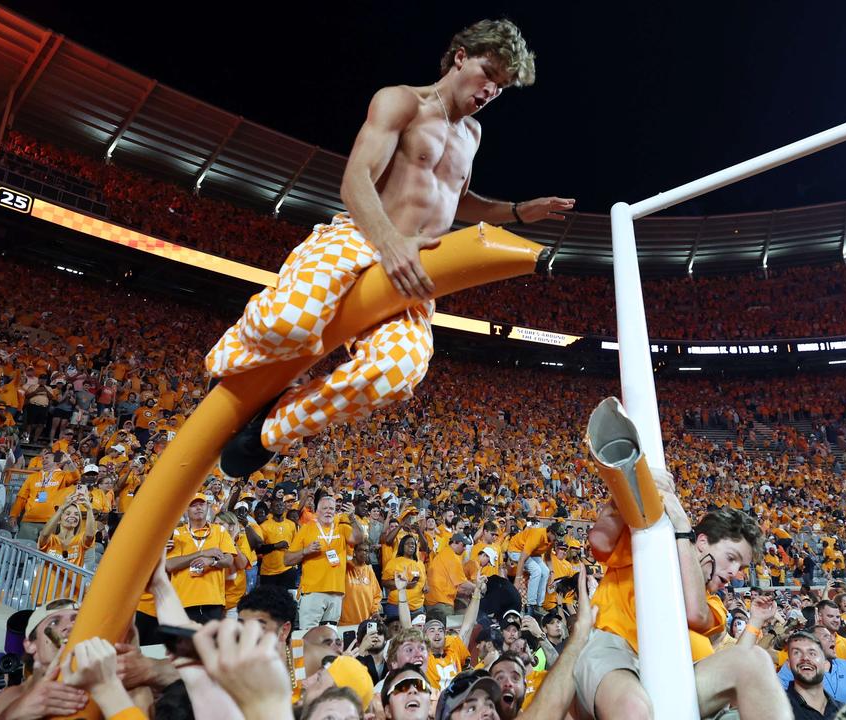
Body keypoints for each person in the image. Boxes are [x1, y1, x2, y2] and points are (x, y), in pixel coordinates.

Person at [208, 18, 573, 477]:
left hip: (414, 270)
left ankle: (270, 431)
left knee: (399, 371)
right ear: (461, 56)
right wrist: (390, 242)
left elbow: (458, 201)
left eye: (501, 87)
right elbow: (355, 179)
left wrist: (520, 211)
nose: (491, 91)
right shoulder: (400, 100)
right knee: (292, 323)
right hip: (361, 237)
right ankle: (230, 361)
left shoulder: (473, 135)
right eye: (488, 73)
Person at [579, 472, 792, 720]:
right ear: (701, 542)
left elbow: (694, 613)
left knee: (756, 660)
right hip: (615, 653)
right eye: (731, 558)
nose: (735, 573)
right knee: (632, 709)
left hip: (677, 683)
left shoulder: (713, 603)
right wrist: (628, 487)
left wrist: (682, 527)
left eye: (742, 568)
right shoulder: (651, 542)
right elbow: (600, 541)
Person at [285, 494, 364, 629]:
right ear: (317, 511)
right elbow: (287, 560)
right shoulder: (306, 528)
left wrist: (352, 518)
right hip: (313, 592)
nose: (328, 511)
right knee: (309, 636)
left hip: (336, 592)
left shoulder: (342, 527)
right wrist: (305, 551)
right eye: (325, 508)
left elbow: (359, 538)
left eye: (332, 508)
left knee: (330, 638)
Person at [165, 493, 237, 623]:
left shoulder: (219, 530)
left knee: (211, 643)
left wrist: (212, 561)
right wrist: (202, 553)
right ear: (186, 509)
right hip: (183, 601)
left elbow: (229, 560)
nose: (198, 508)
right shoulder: (177, 533)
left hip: (213, 600)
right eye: (193, 505)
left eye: (201, 504)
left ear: (207, 507)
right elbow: (170, 565)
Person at [783, 631, 843, 720]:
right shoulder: (777, 708)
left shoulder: (845, 712)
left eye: (812, 653)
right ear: (788, 664)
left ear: (826, 664)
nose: (805, 658)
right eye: (797, 653)